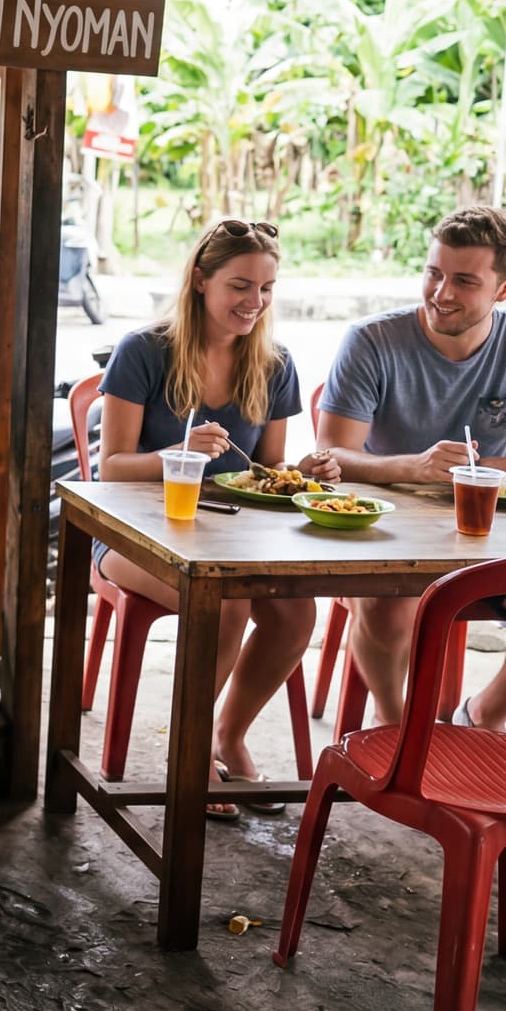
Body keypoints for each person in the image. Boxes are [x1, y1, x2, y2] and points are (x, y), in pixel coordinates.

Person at [94, 220, 335, 816]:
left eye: (267, 288)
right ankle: (190, 749)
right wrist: (175, 455)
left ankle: (229, 734)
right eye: (239, 286)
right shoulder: (144, 351)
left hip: (228, 533)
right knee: (224, 600)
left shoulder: (274, 363)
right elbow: (112, 470)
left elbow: (269, 468)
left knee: (294, 610)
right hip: (132, 534)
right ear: (200, 281)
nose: (254, 303)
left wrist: (301, 472)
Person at [321, 206, 506, 730]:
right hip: (383, 532)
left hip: (485, 539)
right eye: (434, 273)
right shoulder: (372, 341)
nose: (441, 293)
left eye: (464, 281)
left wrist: (485, 468)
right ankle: (402, 738)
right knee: (387, 611)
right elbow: (333, 455)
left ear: (504, 289)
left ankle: (476, 719)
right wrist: (416, 466)